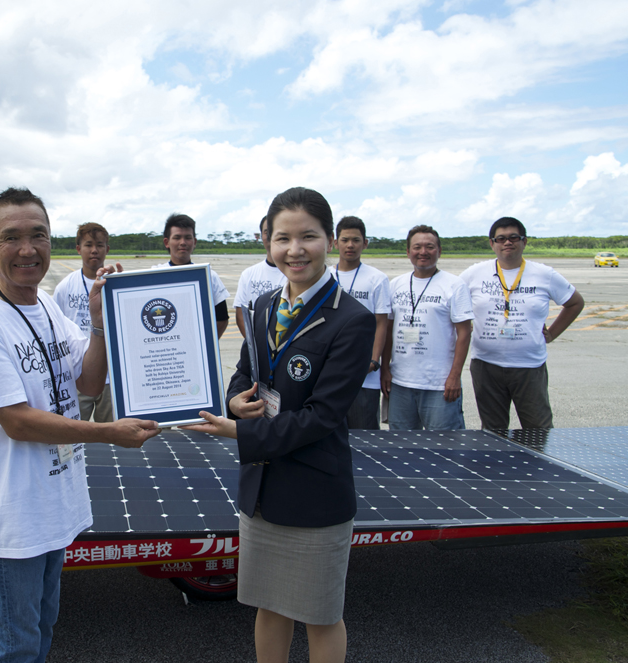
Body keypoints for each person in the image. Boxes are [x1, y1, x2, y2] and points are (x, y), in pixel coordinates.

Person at [0, 187, 160, 663]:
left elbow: (87, 379)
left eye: (38, 235)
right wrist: (109, 432)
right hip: (14, 513)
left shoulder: (46, 305)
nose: (28, 249)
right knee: (13, 643)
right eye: (11, 237)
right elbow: (18, 422)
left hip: (53, 501)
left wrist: (100, 321)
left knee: (42, 627)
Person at [184, 187, 375, 663]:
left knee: (320, 614)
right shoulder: (264, 306)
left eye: (308, 236)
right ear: (267, 243)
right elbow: (246, 371)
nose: (295, 249)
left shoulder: (352, 320)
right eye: (283, 238)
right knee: (268, 606)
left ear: (328, 239)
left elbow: (323, 418)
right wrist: (234, 400)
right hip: (262, 489)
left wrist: (240, 433)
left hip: (313, 492)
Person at [460, 217, 584, 429]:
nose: (507, 242)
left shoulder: (544, 274)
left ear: (524, 241)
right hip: (486, 366)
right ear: (492, 244)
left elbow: (575, 303)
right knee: (492, 432)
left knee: (539, 430)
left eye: (513, 237)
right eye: (501, 238)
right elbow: (453, 304)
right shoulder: (474, 273)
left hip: (528, 365)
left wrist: (552, 334)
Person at [380, 225, 473, 430]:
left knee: (444, 447)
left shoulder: (453, 285)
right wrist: (385, 369)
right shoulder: (396, 284)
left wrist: (454, 376)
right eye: (417, 247)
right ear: (408, 252)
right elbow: (387, 331)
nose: (423, 252)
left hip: (439, 384)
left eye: (430, 247)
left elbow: (464, 333)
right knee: (402, 447)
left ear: (439, 251)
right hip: (400, 382)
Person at [330, 216, 390, 429]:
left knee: (364, 435)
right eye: (345, 240)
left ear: (365, 243)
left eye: (356, 240)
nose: (350, 245)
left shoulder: (376, 278)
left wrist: (374, 361)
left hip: (365, 376)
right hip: (329, 374)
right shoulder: (324, 276)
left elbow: (381, 322)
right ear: (334, 243)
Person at [52, 222, 114, 422]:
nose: (94, 250)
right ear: (78, 249)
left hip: (111, 377)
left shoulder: (116, 284)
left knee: (112, 436)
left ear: (107, 249)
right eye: (88, 245)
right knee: (74, 431)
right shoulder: (64, 287)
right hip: (77, 374)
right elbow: (55, 330)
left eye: (100, 245)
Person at [157, 213, 230, 338]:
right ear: (166, 242)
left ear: (194, 242)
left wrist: (206, 344)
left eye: (188, 237)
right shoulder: (155, 275)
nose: (183, 242)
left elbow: (222, 318)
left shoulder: (209, 276)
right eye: (177, 237)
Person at [234, 216, 286, 339]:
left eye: (276, 231)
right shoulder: (248, 274)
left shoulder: (296, 274)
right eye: (267, 232)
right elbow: (241, 314)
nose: (271, 236)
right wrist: (254, 345)